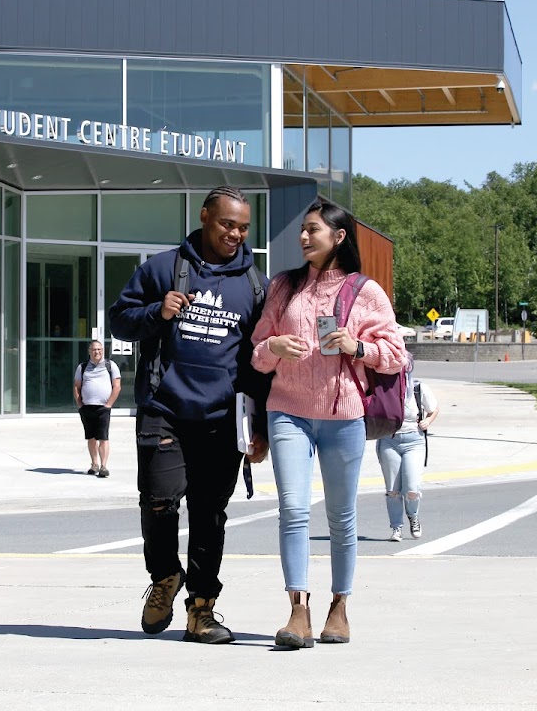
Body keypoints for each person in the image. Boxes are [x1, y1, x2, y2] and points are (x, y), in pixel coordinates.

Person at [108, 186, 270, 645]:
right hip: (164, 409)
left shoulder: (256, 286)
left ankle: (202, 610)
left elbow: (258, 361)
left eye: (243, 227)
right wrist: (157, 313)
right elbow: (120, 320)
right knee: (158, 502)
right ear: (204, 217)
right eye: (226, 224)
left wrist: (259, 426)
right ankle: (164, 576)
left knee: (209, 515)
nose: (235, 234)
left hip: (222, 417)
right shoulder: (163, 268)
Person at [250, 197, 405, 650]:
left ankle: (340, 606)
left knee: (341, 517)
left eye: (312, 230)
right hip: (288, 412)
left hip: (344, 419)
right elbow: (257, 355)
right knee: (294, 510)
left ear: (338, 237)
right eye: (302, 229)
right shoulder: (283, 286)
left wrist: (358, 348)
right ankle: (298, 609)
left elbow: (396, 357)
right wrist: (274, 346)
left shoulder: (366, 291)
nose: (303, 237)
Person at [377, 353, 439, 542]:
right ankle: (396, 528)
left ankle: (413, 517)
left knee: (412, 487)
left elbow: (434, 408)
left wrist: (428, 421)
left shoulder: (419, 388)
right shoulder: (383, 388)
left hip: (414, 441)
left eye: (403, 367)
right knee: (393, 489)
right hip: (389, 440)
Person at [73, 340, 121, 477]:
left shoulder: (110, 366)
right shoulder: (82, 367)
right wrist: (80, 405)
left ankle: (104, 466)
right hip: (87, 408)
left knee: (103, 438)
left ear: (103, 351)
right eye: (94, 350)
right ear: (89, 351)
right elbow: (77, 387)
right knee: (91, 438)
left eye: (99, 350)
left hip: (103, 408)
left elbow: (117, 386)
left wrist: (109, 405)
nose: (97, 352)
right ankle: (94, 464)